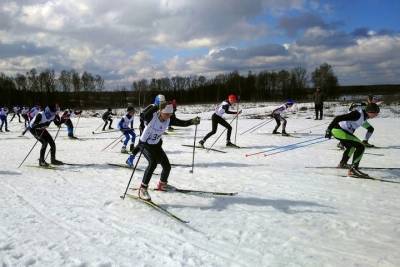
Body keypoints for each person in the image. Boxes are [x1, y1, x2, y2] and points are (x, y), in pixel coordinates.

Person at [128, 104, 200, 200]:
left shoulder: (169, 119)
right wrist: (157, 106)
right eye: (166, 114)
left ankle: (162, 184)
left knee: (167, 166)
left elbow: (182, 123)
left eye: (170, 114)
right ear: (160, 112)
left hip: (156, 145)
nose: (168, 116)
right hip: (144, 144)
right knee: (152, 163)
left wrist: (192, 121)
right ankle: (143, 189)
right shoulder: (152, 117)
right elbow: (143, 115)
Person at [325, 103, 380, 177]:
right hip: (338, 130)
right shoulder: (357, 114)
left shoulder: (364, 116)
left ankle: (343, 163)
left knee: (352, 147)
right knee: (361, 146)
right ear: (370, 112)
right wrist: (329, 130)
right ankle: (354, 169)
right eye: (376, 113)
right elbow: (338, 118)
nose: (376, 115)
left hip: (342, 131)